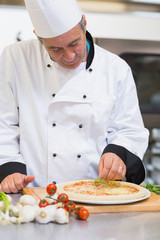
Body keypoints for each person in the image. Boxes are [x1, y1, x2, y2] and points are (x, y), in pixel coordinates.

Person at [0, 0, 149, 193]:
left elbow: (129, 130)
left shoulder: (115, 69)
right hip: (34, 192)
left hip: (96, 194)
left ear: (84, 23)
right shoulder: (15, 58)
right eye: (55, 49)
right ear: (38, 37)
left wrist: (117, 153)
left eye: (74, 44)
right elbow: (4, 123)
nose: (69, 56)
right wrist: (9, 168)